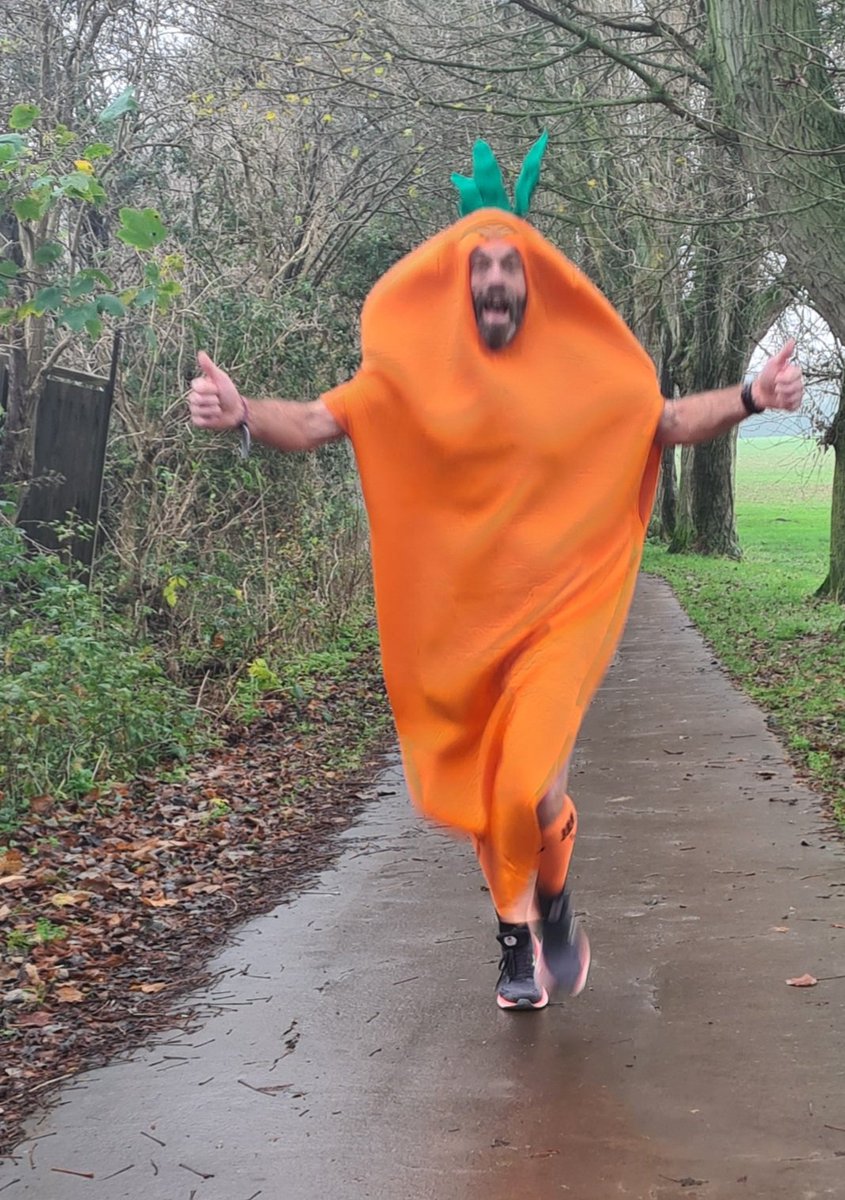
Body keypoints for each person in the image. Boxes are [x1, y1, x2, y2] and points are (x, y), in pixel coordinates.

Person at [188, 135, 804, 1011]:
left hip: (562, 614)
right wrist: (244, 411)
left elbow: (664, 421)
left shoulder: (585, 373)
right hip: (461, 626)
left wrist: (750, 397)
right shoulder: (406, 380)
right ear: (457, 283)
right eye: (479, 269)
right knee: (495, 792)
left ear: (534, 280)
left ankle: (530, 925)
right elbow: (320, 420)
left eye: (509, 267)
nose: (494, 283)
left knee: (523, 781)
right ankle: (534, 912)